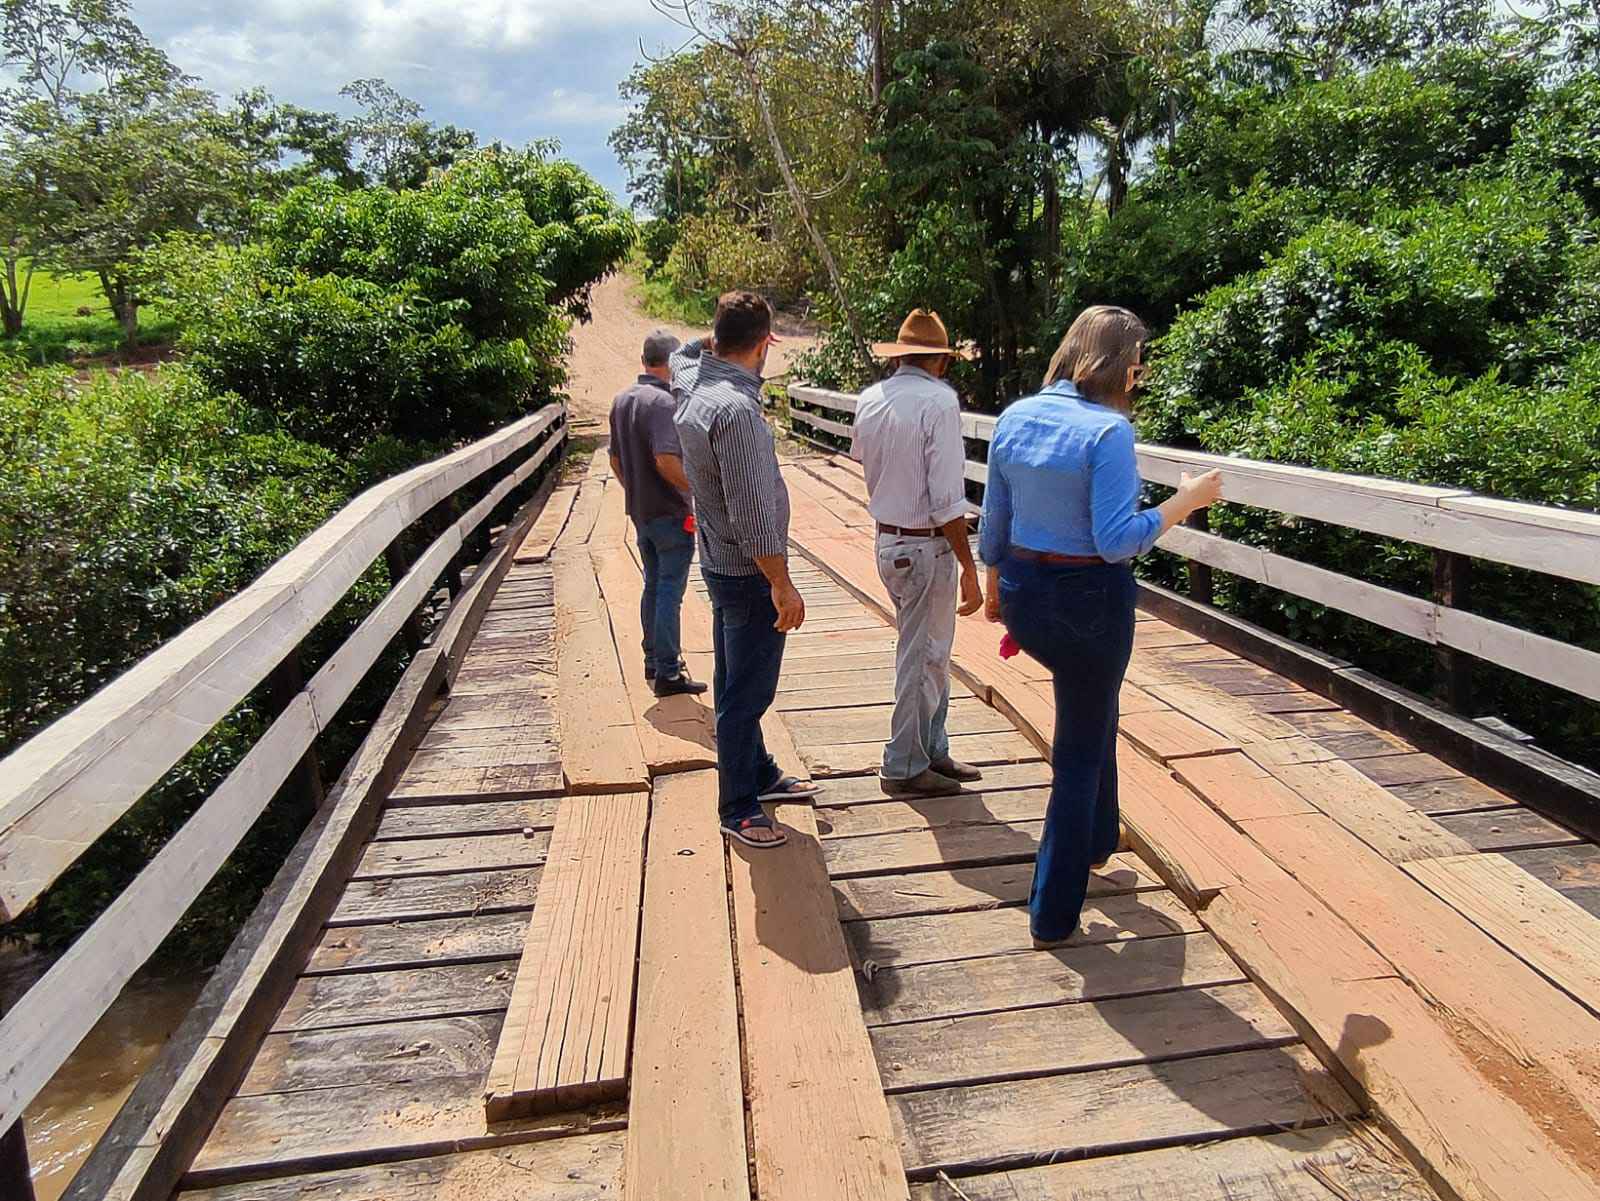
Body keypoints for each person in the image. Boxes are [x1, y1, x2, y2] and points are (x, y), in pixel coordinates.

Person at [979, 305, 1223, 948]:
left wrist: (995, 588)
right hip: (1089, 600)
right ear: (1123, 365)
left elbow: (993, 530)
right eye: (1138, 366)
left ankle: (1097, 837)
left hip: (1026, 595)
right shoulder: (1107, 432)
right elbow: (1118, 542)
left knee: (1092, 709)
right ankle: (1052, 912)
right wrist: (1186, 499)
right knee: (1080, 750)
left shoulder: (1016, 416)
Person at [674, 291, 821, 847]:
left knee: (733, 678)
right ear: (766, 343)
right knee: (747, 694)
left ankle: (758, 772)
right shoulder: (735, 411)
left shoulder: (689, 382)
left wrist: (715, 337)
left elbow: (685, 351)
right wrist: (781, 584)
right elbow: (752, 512)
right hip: (745, 570)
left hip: (716, 561)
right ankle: (738, 806)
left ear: (715, 338)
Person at [851, 310, 985, 798]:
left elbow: (864, 461)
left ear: (901, 355)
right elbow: (947, 497)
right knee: (921, 655)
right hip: (926, 546)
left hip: (888, 540)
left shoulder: (870, 399)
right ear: (941, 362)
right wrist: (970, 567)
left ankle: (931, 748)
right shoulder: (939, 402)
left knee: (929, 651)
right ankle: (904, 763)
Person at [608, 330, 707, 698]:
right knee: (670, 590)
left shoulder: (622, 400)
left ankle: (653, 659)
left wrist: (635, 492)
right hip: (670, 512)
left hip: (642, 511)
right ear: (672, 364)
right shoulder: (664, 404)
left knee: (652, 584)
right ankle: (668, 670)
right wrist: (695, 494)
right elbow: (666, 459)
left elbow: (616, 461)